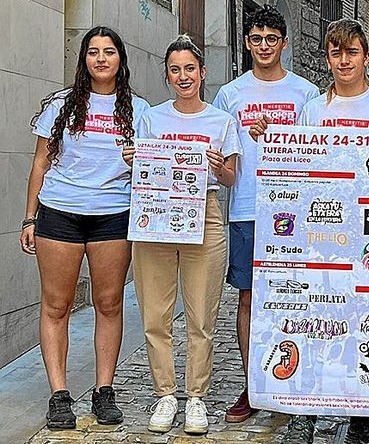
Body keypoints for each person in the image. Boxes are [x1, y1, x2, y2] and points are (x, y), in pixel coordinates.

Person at [247, 18, 369, 444]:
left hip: (367, 237)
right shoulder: (313, 110)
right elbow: (294, 166)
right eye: (336, 53)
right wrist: (271, 138)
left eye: (352, 52)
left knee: (362, 324)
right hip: (316, 235)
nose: (344, 61)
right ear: (327, 57)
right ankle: (303, 413)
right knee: (310, 320)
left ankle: (362, 416)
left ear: (366, 57)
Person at [20, 26, 149, 430]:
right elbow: (41, 163)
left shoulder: (140, 111)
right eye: (92, 52)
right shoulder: (61, 104)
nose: (100, 59)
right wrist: (29, 217)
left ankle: (103, 390)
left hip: (113, 215)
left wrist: (138, 160)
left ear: (120, 60)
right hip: (59, 212)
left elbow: (155, 170)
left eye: (109, 52)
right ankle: (59, 395)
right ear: (84, 59)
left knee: (108, 304)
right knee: (56, 306)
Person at [126, 36, 242, 435]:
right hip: (157, 215)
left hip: (205, 214)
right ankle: (164, 394)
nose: (183, 76)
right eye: (175, 70)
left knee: (201, 314)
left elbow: (230, 178)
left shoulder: (221, 122)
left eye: (189, 68)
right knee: (155, 313)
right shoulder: (152, 119)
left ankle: (195, 397)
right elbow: (141, 173)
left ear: (202, 72)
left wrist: (217, 165)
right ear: (168, 75)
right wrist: (134, 160)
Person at [214, 4, 320, 425]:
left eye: (271, 40)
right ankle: (252, 382)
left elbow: (317, 151)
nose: (263, 46)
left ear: (284, 43)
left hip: (296, 209)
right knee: (249, 297)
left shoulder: (305, 93)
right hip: (247, 206)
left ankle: (292, 380)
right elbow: (226, 159)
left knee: (296, 295)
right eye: (256, 39)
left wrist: (279, 135)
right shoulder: (230, 94)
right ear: (246, 43)